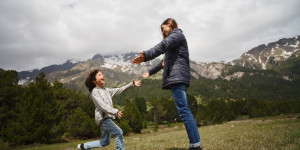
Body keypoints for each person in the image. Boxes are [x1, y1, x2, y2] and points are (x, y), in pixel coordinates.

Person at [132, 18, 202, 150]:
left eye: (163, 28)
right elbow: (163, 62)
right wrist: (150, 72)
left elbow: (162, 46)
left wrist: (146, 55)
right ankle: (195, 144)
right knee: (183, 110)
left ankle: (196, 145)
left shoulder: (177, 35)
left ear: (169, 23)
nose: (163, 32)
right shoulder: (173, 43)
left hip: (177, 77)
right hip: (177, 77)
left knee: (184, 110)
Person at [78, 69, 141, 150]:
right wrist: (115, 111)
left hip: (107, 118)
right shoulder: (95, 93)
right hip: (103, 119)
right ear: (94, 81)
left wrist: (132, 84)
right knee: (118, 132)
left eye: (102, 74)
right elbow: (102, 106)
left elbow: (119, 90)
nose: (103, 75)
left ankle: (84, 147)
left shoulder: (107, 90)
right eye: (100, 75)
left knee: (105, 142)